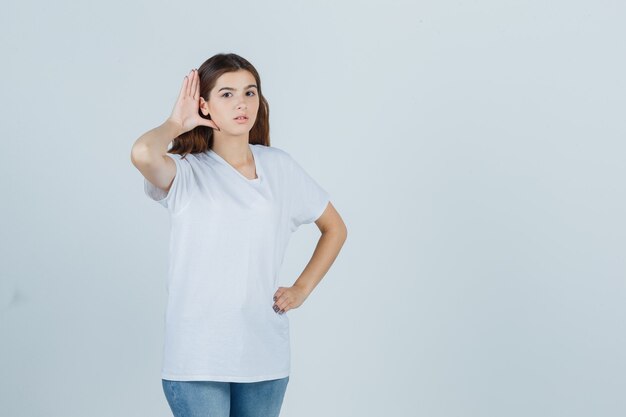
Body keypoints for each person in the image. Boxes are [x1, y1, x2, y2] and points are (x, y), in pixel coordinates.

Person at [130, 53, 348, 417]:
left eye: (249, 92)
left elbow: (335, 228)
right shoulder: (185, 173)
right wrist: (175, 123)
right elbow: (141, 153)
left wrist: (301, 288)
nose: (241, 103)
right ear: (204, 105)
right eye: (226, 94)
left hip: (264, 353)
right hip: (198, 355)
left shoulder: (279, 167)